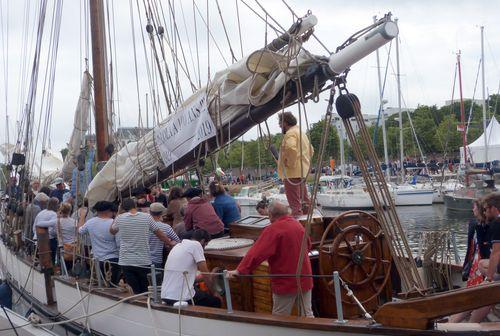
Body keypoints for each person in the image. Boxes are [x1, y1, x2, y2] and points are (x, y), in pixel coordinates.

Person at [227, 200, 314, 317]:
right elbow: (308, 246)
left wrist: (240, 270)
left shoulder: (273, 230)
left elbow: (256, 253)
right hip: (305, 277)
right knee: (307, 314)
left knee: (280, 317)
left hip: (285, 281)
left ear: (270, 215)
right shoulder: (298, 225)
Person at [110, 198, 176, 294]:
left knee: (134, 290)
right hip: (143, 260)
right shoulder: (147, 217)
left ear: (123, 208)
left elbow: (112, 231)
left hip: (126, 261)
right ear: (135, 206)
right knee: (145, 290)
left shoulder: (120, 218)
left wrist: (118, 213)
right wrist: (170, 243)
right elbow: (159, 233)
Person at [449, 199, 492, 323]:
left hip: (482, 261)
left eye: (474, 207)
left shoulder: (488, 226)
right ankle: (459, 322)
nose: (472, 210)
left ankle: (459, 323)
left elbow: (490, 249)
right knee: (472, 293)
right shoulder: (474, 224)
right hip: (476, 262)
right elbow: (471, 247)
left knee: (475, 295)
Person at [161, 229, 221, 308]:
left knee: (199, 292)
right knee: (215, 301)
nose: (204, 248)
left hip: (165, 295)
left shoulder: (178, 246)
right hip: (182, 297)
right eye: (205, 245)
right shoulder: (196, 245)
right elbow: (205, 274)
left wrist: (211, 275)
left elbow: (186, 278)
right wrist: (215, 293)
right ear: (202, 241)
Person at [277, 112, 314, 216]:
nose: (279, 125)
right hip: (302, 172)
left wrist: (291, 163)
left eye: (280, 123)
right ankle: (310, 222)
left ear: (285, 122)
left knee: (295, 204)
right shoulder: (302, 133)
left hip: (292, 173)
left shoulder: (290, 133)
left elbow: (290, 148)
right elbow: (311, 150)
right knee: (305, 201)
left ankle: (298, 227)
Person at [79, 201, 121, 286]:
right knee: (113, 286)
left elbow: (80, 230)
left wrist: (82, 216)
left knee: (101, 285)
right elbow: (119, 244)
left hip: (98, 260)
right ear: (109, 211)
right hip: (114, 260)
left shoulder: (90, 222)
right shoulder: (114, 223)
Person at [149, 202, 180, 270]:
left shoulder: (144, 225)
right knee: (157, 280)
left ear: (150, 212)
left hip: (143, 260)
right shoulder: (166, 227)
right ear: (161, 213)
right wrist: (169, 242)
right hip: (156, 260)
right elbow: (178, 241)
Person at [34, 197, 60, 262]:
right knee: (52, 258)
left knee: (41, 257)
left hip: (38, 239)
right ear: (55, 205)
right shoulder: (54, 214)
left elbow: (34, 226)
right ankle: (52, 266)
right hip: (49, 240)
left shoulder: (41, 213)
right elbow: (53, 230)